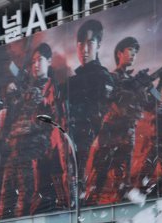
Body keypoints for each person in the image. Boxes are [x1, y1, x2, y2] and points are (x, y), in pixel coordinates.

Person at [85, 38, 162, 204]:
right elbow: (108, 100)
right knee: (98, 179)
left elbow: (152, 105)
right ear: (119, 53)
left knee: (123, 182)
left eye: (136, 52)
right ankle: (87, 211)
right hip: (110, 134)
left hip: (127, 135)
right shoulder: (110, 77)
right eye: (130, 50)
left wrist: (160, 81)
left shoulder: (137, 81)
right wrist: (135, 84)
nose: (133, 55)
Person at [0, 42, 66, 219]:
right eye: (33, 62)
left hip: (33, 152)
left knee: (25, 199)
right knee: (6, 198)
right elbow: (13, 116)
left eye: (40, 60)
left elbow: (55, 121)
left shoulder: (53, 89)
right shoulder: (26, 88)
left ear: (49, 61)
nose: (36, 65)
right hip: (15, 149)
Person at [67, 19, 115, 189]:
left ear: (99, 45)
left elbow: (103, 117)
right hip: (70, 145)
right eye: (80, 44)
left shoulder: (103, 78)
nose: (84, 50)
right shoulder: (72, 82)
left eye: (90, 43)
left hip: (90, 146)